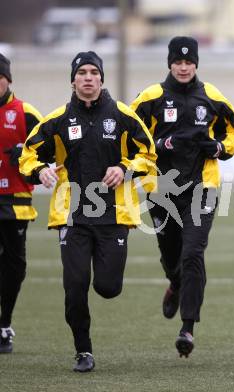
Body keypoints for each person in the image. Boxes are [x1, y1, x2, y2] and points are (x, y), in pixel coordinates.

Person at [19, 51, 156, 372]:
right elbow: (27, 154)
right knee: (75, 286)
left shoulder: (122, 115)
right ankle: (83, 350)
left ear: (102, 78)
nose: (88, 77)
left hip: (114, 216)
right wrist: (39, 169)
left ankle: (103, 291)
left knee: (108, 288)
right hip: (73, 217)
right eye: (82, 72)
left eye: (94, 72)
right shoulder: (57, 120)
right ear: (73, 80)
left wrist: (124, 168)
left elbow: (148, 155)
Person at [131, 36, 234, 358]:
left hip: (202, 187)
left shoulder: (212, 97)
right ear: (169, 63)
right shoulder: (150, 97)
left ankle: (188, 328)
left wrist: (221, 148)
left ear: (196, 64)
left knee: (193, 253)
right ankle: (175, 284)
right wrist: (160, 146)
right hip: (162, 191)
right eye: (178, 62)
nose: (183, 67)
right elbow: (131, 134)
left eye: (188, 62)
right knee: (171, 256)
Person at [0, 53, 42, 354]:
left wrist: (25, 156)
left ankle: (4, 323)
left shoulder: (25, 112)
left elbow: (49, 152)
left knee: (15, 267)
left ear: (8, 80)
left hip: (16, 202)